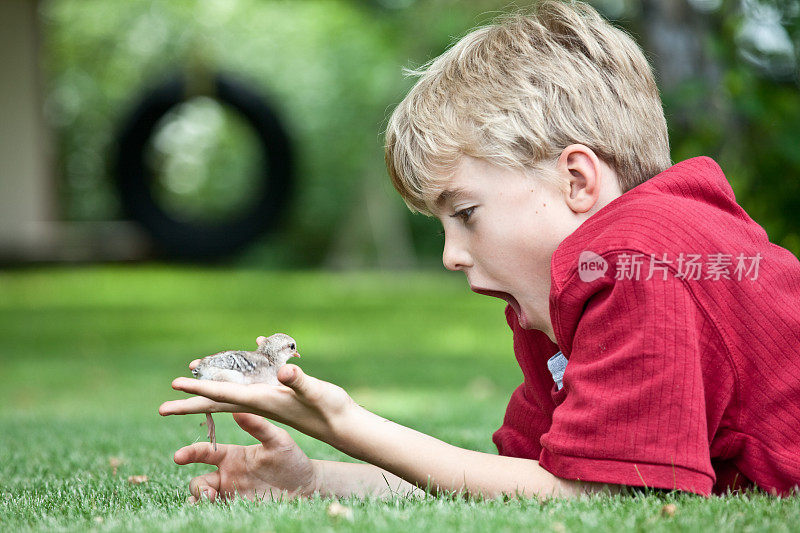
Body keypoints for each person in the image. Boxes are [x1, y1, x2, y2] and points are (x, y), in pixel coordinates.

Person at [158, 0, 800, 501]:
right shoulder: (556, 307)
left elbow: (603, 498)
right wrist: (312, 481)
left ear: (576, 181)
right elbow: (514, 481)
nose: (451, 256)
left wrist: (346, 422)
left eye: (465, 214)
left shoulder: (639, 257)